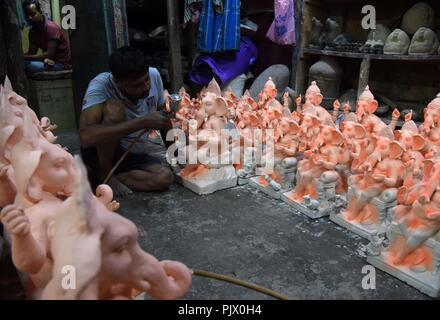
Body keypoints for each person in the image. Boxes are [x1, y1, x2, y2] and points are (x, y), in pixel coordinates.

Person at [79, 46, 175, 196]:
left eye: (146, 80)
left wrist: (175, 157)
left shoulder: (154, 74)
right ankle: (105, 173)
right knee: (114, 108)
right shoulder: (101, 85)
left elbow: (163, 119)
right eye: (137, 84)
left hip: (132, 154)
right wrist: (142, 122)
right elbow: (86, 137)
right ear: (118, 82)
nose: (146, 87)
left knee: (165, 178)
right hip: (101, 154)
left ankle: (109, 176)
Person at [22, 0, 71, 74]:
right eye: (26, 15)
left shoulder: (50, 27)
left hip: (61, 64)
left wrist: (24, 57)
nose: (29, 18)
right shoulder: (33, 32)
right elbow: (32, 53)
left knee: (30, 66)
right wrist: (20, 57)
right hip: (48, 61)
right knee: (20, 64)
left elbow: (49, 54)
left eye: (32, 14)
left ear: (40, 12)